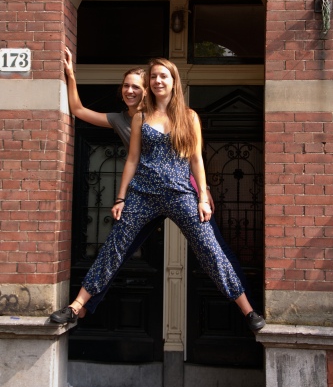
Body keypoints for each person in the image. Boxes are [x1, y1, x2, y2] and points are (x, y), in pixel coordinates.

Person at [51, 56, 265, 332]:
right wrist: (121, 198)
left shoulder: (189, 117)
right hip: (143, 194)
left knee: (210, 249)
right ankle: (75, 307)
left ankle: (248, 312)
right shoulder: (140, 117)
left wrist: (202, 196)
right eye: (153, 77)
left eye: (163, 76)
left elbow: (196, 159)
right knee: (114, 247)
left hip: (181, 194)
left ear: (174, 81)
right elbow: (132, 158)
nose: (157, 81)